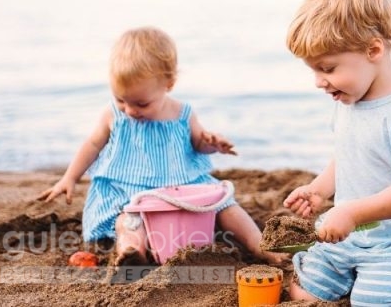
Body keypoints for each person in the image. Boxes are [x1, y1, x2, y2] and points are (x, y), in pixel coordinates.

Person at [39, 26, 283, 265]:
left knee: (226, 206)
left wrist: (212, 144)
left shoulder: (182, 114)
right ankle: (132, 251)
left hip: (183, 187)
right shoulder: (113, 115)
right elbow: (92, 145)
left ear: (169, 84)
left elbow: (198, 144)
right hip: (131, 190)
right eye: (121, 100)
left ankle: (258, 244)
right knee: (128, 219)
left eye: (142, 104)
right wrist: (69, 177)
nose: (131, 110)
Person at [282, 0, 391, 307]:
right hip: (351, 234)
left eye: (327, 68)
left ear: (373, 49)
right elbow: (346, 156)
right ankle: (357, 272)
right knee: (303, 291)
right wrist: (319, 190)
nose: (318, 82)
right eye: (313, 70)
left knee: (374, 302)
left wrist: (353, 212)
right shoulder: (347, 100)